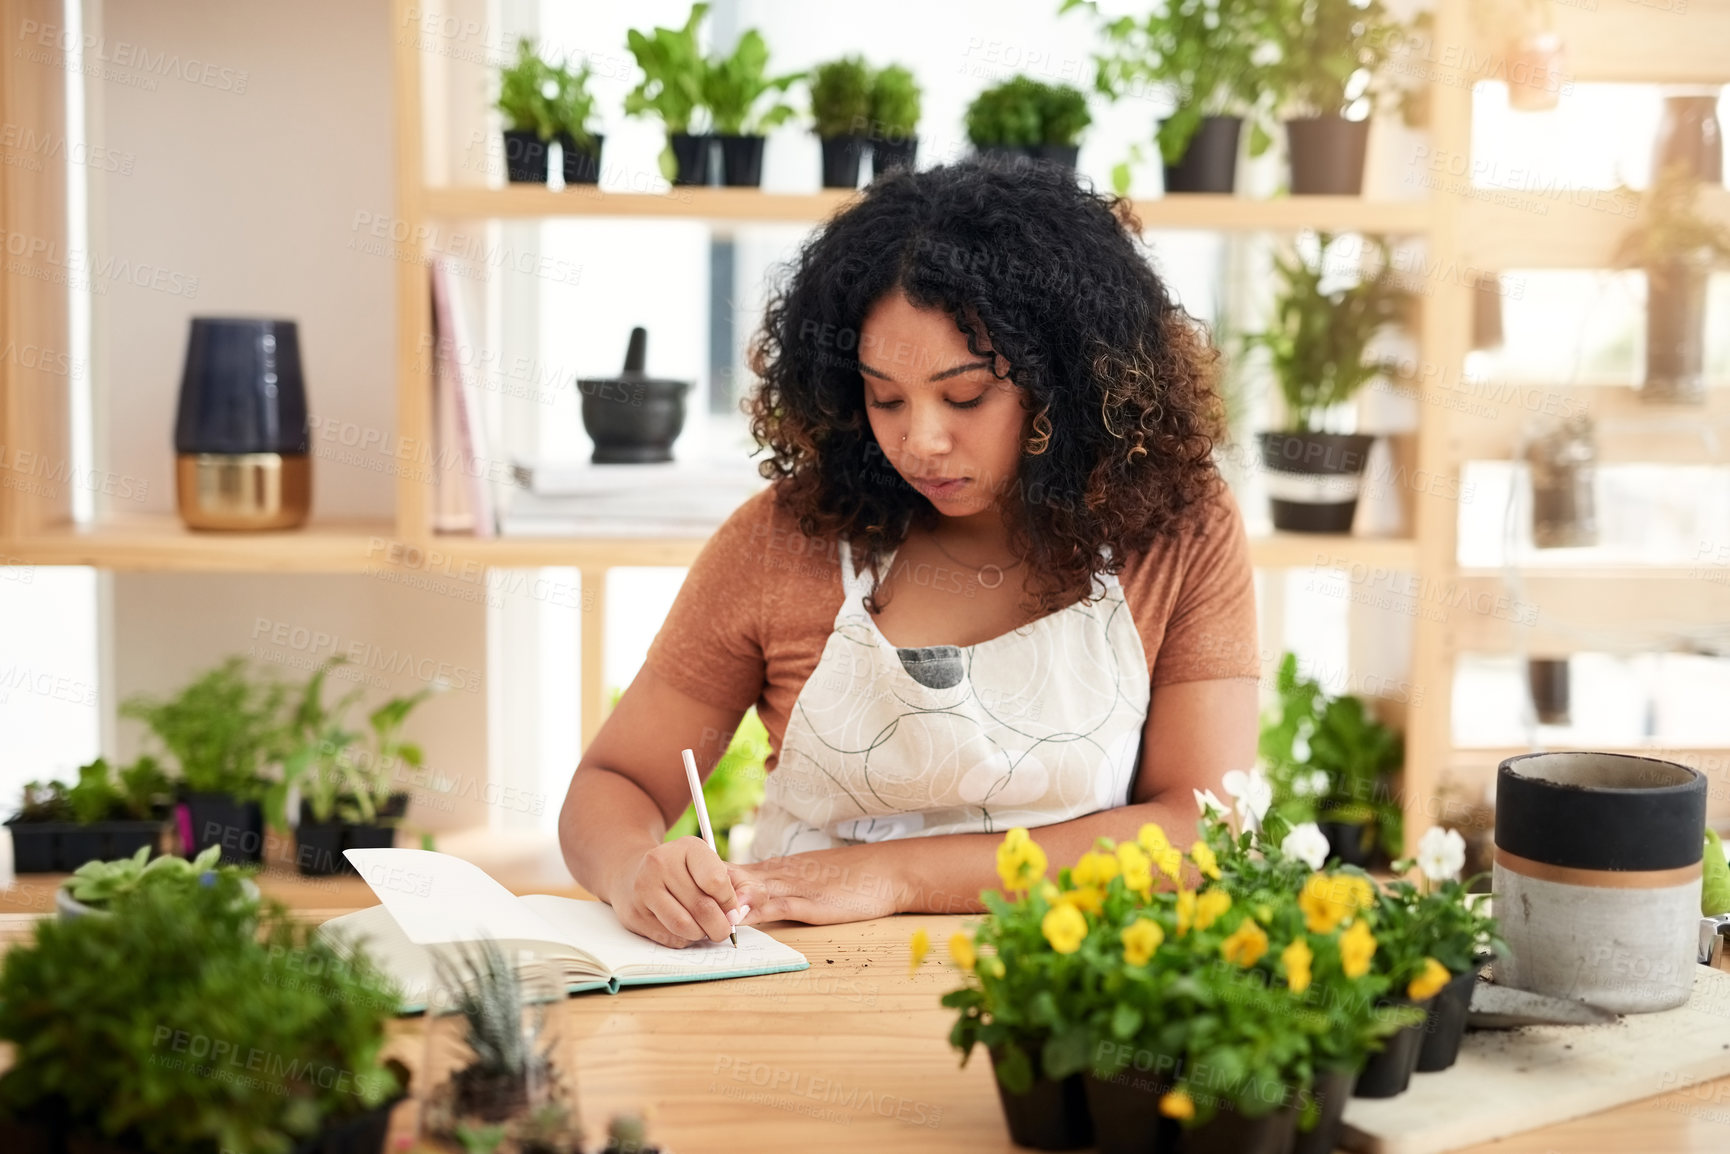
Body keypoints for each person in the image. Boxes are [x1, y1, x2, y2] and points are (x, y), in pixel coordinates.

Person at [559, 158, 1259, 948]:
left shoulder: (1177, 528)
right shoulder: (784, 538)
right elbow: (611, 784)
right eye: (884, 397)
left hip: (1067, 996)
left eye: (966, 396)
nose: (919, 441)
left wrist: (894, 876)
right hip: (797, 985)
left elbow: (1200, 831)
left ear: (1065, 383)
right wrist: (633, 870)